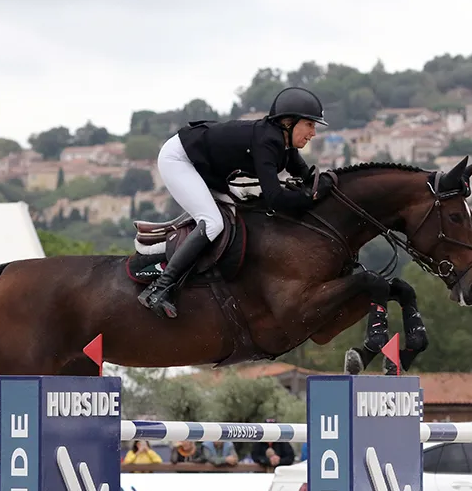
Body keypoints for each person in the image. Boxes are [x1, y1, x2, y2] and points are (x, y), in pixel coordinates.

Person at [138, 86, 334, 318]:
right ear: (289, 122)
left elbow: (307, 177)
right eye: (309, 125)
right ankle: (160, 288)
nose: (313, 133)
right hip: (180, 159)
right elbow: (275, 199)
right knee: (213, 223)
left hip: (206, 167)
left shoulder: (284, 144)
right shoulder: (268, 142)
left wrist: (329, 183)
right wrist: (308, 196)